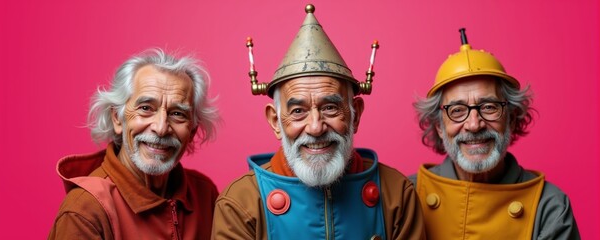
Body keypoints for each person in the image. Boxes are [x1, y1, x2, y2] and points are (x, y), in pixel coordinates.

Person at [211, 4, 425, 240]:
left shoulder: (397, 192)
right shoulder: (239, 203)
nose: (315, 127)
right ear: (275, 121)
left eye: (330, 108)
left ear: (356, 114)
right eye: (299, 111)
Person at [410, 28, 580, 239]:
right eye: (457, 111)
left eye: (489, 107)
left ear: (511, 116)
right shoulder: (408, 195)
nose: (474, 124)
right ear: (439, 126)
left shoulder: (550, 207)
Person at [49, 48, 220, 239]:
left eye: (177, 114)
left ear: (192, 131)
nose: (161, 128)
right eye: (146, 108)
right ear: (117, 118)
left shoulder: (205, 193)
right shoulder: (84, 211)